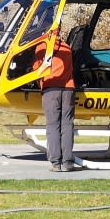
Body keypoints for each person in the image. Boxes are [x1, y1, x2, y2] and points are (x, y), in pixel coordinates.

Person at [39, 30, 81, 171]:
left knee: (52, 125)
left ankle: (56, 162)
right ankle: (68, 162)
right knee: (67, 124)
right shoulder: (66, 47)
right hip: (68, 89)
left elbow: (36, 68)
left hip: (51, 89)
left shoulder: (42, 47)